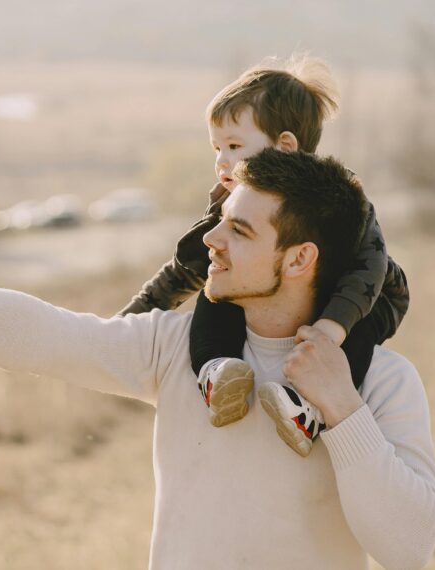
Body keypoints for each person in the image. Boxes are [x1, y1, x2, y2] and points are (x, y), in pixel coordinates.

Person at [0, 149, 435, 569]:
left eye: (240, 231)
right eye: (222, 220)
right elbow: (46, 333)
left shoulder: (382, 382)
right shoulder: (177, 347)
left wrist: (343, 410)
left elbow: (408, 547)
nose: (211, 240)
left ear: (301, 259)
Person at [118, 55, 409, 456]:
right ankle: (218, 373)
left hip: (362, 297)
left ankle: (308, 410)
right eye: (217, 147)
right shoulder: (232, 201)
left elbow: (369, 267)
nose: (222, 160)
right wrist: (135, 315)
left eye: (234, 145)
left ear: (285, 146)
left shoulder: (337, 196)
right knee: (218, 288)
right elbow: (193, 264)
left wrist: (331, 328)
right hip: (283, 293)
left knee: (354, 336)